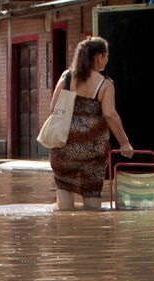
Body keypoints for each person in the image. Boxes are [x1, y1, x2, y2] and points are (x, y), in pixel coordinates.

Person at [48, 37, 132, 211]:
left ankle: (65, 233)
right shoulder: (105, 84)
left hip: (63, 147)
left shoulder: (67, 77)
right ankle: (92, 234)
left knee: (64, 188)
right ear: (99, 57)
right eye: (106, 55)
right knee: (92, 194)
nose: (107, 59)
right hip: (92, 151)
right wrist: (124, 143)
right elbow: (110, 114)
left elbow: (53, 109)